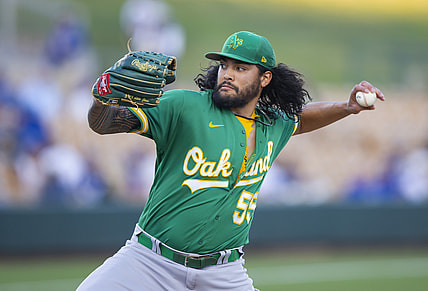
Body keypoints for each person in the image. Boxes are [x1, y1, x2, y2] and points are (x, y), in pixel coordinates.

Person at [77, 31, 384, 290]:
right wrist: (103, 96)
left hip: (223, 273)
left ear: (264, 78)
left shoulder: (272, 124)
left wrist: (347, 106)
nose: (227, 74)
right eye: (224, 65)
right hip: (149, 261)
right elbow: (104, 123)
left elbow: (300, 119)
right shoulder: (185, 107)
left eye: (240, 68)